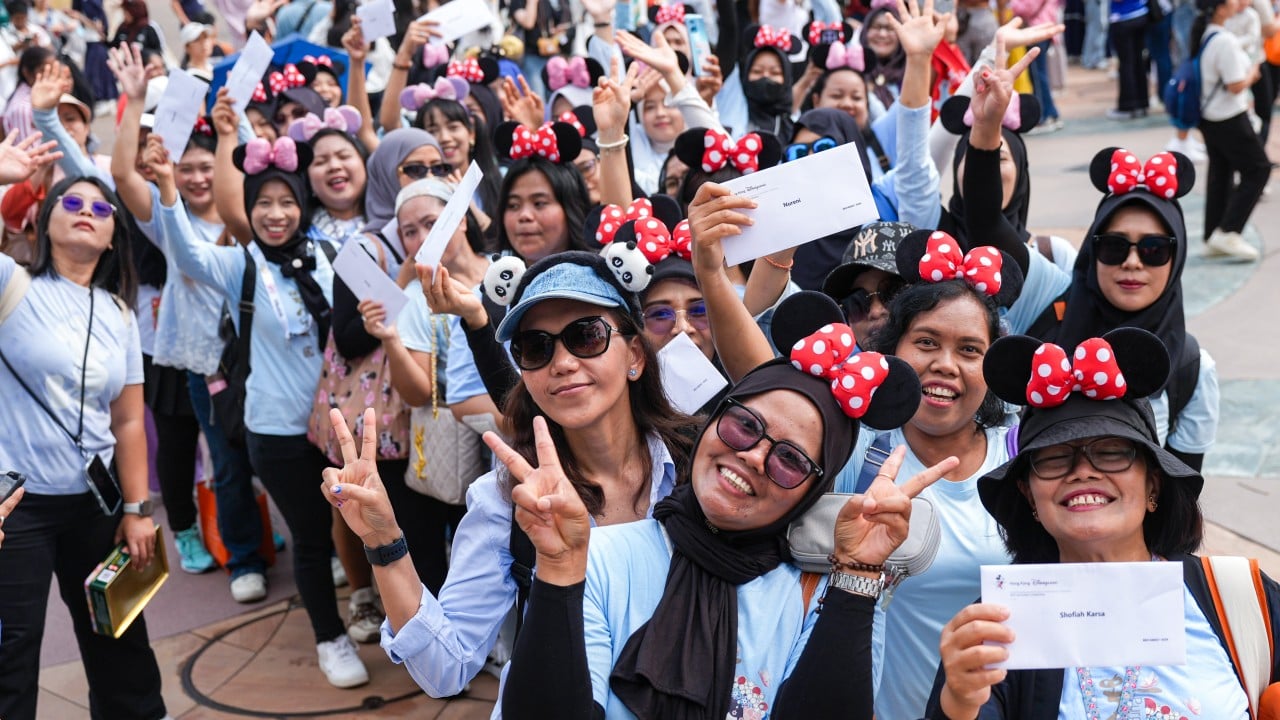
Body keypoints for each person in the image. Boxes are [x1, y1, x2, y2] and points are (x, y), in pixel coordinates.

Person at [492, 271, 950, 718]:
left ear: (811, 492)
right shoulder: (599, 558)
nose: (753, 456)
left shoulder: (821, 593)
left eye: (789, 459)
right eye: (743, 426)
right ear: (713, 421)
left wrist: (857, 575)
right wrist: (557, 573)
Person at [321, 252, 698, 698]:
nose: (562, 362)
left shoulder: (697, 469)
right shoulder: (505, 499)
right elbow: (446, 667)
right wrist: (384, 544)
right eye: (536, 347)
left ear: (635, 354)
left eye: (587, 336)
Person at [929, 327, 1278, 720]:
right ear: (1029, 496)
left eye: (1111, 452)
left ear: (1153, 485)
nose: (1082, 472)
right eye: (1054, 458)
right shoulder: (1000, 626)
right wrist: (958, 703)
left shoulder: (1242, 597)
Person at [162, 90, 369, 688]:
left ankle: (381, 612)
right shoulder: (242, 264)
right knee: (310, 535)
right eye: (265, 204)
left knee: (360, 525)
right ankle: (330, 639)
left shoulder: (333, 251)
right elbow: (185, 251)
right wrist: (168, 192)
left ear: (302, 204)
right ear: (250, 209)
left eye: (287, 202)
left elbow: (391, 302)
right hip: (276, 429)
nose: (276, 213)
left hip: (340, 423)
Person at [0, 177, 168, 720]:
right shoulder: (12, 286)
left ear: (115, 235)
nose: (86, 212)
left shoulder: (121, 313)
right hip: (15, 504)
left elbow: (128, 421)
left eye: (101, 208)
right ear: (44, 221)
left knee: (117, 631)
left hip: (96, 502)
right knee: (12, 646)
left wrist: (139, 511)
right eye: (70, 202)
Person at [108, 43, 222, 579]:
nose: (197, 177)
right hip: (171, 348)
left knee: (229, 447)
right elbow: (123, 174)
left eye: (207, 166)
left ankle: (236, 527)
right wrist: (132, 101)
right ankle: (183, 530)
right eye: (188, 168)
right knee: (177, 446)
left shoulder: (235, 207)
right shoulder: (159, 208)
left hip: (230, 352)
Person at [1196, 0, 1269, 262]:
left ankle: (1212, 234)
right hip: (1228, 116)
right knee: (1258, 169)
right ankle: (1228, 231)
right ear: (1220, 8)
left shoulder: (1208, 35)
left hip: (1210, 116)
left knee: (1221, 174)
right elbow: (1235, 85)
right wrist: (1252, 74)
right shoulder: (1222, 40)